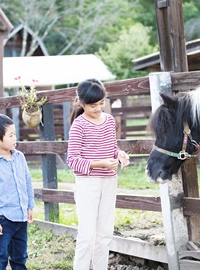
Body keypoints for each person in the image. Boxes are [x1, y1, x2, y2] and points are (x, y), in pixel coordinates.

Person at [67, 78, 130, 270]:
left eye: (102, 103)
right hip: (87, 183)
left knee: (105, 234)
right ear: (81, 103)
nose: (98, 108)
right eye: (93, 105)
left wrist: (119, 154)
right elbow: (72, 160)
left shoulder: (109, 121)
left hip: (109, 181)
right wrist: (98, 164)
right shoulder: (79, 125)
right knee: (86, 235)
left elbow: (111, 148)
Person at [0, 113, 35, 270]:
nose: (15, 138)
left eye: (15, 134)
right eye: (11, 135)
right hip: (2, 219)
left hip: (20, 217)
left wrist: (30, 206)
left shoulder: (20, 157)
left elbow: (27, 181)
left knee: (20, 257)